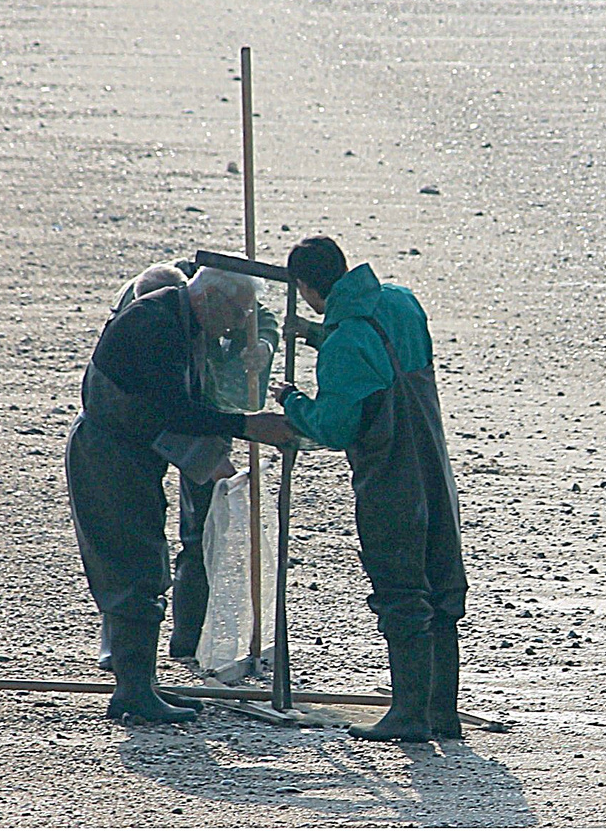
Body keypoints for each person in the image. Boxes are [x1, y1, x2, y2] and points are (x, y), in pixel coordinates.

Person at [65, 265, 297, 722]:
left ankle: (143, 684)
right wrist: (247, 426)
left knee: (147, 561)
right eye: (236, 314)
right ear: (210, 298)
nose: (236, 326)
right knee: (132, 566)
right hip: (108, 455)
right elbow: (174, 409)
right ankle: (133, 693)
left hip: (133, 456)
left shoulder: (183, 320)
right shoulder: (155, 323)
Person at [271, 235, 466, 742]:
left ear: (308, 287)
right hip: (433, 468)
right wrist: (317, 335)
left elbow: (334, 427)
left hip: (390, 481)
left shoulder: (343, 344)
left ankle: (408, 714)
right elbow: (380, 353)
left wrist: (293, 403)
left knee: (401, 592)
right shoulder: (401, 301)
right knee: (442, 587)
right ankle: (443, 713)